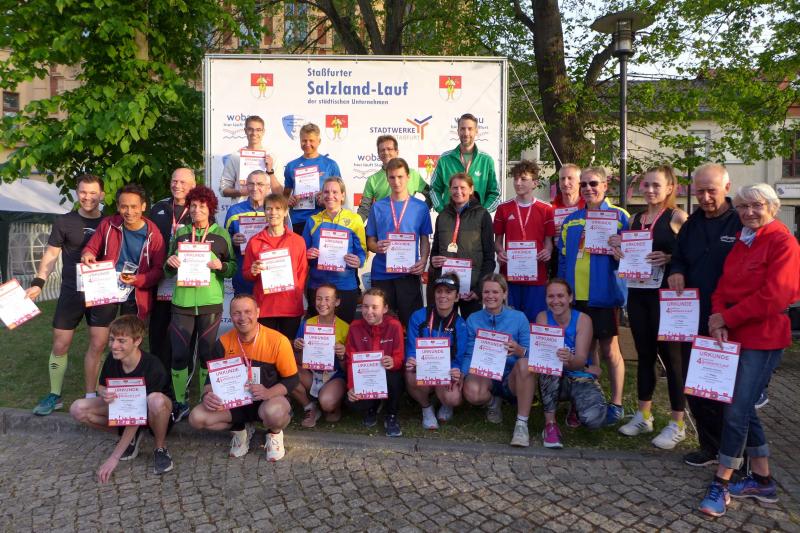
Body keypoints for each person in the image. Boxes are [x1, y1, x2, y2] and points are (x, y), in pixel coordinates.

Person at [698, 183, 800, 517]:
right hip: (734, 335)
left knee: (736, 411)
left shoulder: (783, 242)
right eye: (742, 207)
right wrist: (717, 319)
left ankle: (722, 480)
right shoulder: (744, 240)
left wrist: (726, 317)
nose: (748, 212)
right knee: (742, 406)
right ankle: (763, 479)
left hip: (763, 337)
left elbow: (775, 296)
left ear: (772, 207)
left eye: (756, 205)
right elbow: (723, 287)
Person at [667, 163, 743, 468]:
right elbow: (679, 257)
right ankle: (709, 447)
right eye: (700, 191)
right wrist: (676, 271)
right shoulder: (692, 223)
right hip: (692, 316)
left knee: (727, 390)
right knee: (696, 385)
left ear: (727, 187)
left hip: (730, 319)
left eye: (711, 190)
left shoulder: (741, 221)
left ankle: (735, 452)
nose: (705, 197)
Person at [613, 166, 689, 449]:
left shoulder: (677, 217)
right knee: (645, 354)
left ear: (670, 188)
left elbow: (690, 254)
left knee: (672, 359)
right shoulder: (634, 219)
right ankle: (644, 415)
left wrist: (668, 258)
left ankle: (677, 422)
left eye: (656, 185)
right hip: (638, 293)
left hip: (666, 297)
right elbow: (625, 253)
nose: (650, 190)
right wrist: (618, 251)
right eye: (646, 185)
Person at [28, 174, 106, 415]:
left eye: (93, 193)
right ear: (77, 193)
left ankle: (91, 395)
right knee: (60, 344)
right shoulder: (64, 221)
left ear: (102, 195)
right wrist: (39, 282)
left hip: (101, 291)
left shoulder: (110, 222)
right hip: (71, 291)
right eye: (83, 192)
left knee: (98, 344)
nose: (88, 197)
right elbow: (51, 255)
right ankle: (55, 395)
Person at [558, 167, 630, 426]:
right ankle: (585, 402)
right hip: (576, 296)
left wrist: (621, 247)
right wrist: (563, 292)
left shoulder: (620, 216)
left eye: (594, 183)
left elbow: (632, 256)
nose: (588, 188)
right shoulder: (571, 219)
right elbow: (563, 259)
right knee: (583, 351)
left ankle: (617, 403)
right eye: (584, 184)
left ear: (605, 185)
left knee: (610, 350)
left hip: (604, 295)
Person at [188, 294, 298, 461]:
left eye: (248, 312)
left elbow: (292, 379)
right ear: (231, 316)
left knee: (274, 414)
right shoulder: (222, 343)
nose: (242, 317)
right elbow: (210, 381)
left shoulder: (278, 341)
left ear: (258, 312)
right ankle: (240, 430)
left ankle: (274, 434)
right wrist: (207, 395)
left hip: (268, 401)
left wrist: (268, 393)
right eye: (237, 313)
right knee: (196, 418)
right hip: (235, 405)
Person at [69, 315, 175, 481]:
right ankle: (131, 438)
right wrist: (103, 392)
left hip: (155, 415)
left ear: (137, 341)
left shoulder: (153, 366)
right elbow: (102, 385)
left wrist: (114, 457)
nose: (114, 346)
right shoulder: (113, 358)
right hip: (127, 410)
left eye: (121, 341)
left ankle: (160, 448)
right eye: (112, 339)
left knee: (156, 400)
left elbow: (136, 414)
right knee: (77, 409)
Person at [164, 186, 236, 422]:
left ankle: (204, 399)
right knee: (179, 354)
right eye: (193, 206)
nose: (196, 210)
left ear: (210, 208)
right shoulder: (181, 233)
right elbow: (167, 268)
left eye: (202, 206)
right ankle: (180, 401)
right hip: (182, 303)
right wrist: (170, 263)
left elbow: (232, 267)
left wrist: (222, 266)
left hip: (209, 303)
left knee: (206, 354)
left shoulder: (221, 235)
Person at [534, 278, 606, 448]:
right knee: (549, 368)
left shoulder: (583, 320)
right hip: (554, 378)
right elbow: (543, 358)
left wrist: (571, 359)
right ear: (545, 299)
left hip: (579, 375)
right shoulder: (543, 317)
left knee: (594, 419)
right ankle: (550, 425)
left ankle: (576, 405)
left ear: (570, 297)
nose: (555, 301)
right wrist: (583, 367)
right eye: (551, 296)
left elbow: (580, 360)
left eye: (560, 296)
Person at [462, 274, 533, 447]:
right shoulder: (473, 319)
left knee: (525, 364)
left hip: (512, 376)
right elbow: (469, 353)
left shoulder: (519, 318)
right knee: (472, 392)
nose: (490, 296)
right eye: (486, 292)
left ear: (505, 294)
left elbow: (532, 354)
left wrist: (519, 350)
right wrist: (463, 375)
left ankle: (521, 424)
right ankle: (493, 403)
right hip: (485, 374)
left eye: (495, 292)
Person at [81, 183, 166, 321]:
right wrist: (88, 254)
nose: (129, 212)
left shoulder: (154, 235)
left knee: (128, 334)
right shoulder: (108, 224)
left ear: (143, 206)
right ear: (117, 206)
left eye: (134, 206)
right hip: (106, 287)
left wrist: (138, 279)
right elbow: (91, 248)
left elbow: (159, 270)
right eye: (124, 206)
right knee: (99, 333)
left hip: (135, 294)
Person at [365, 157, 432, 325]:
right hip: (382, 274)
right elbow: (370, 240)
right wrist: (376, 247)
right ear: (387, 179)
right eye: (392, 177)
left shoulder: (421, 207)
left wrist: (423, 260)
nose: (396, 181)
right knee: (382, 324)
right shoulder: (377, 207)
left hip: (408, 273)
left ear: (408, 177)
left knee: (411, 323)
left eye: (400, 177)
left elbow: (425, 238)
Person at [494, 160, 555, 322]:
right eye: (515, 179)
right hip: (510, 275)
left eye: (523, 179)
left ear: (535, 183)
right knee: (509, 321)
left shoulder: (546, 209)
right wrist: (500, 252)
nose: (518, 183)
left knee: (535, 321)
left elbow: (549, 242)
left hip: (536, 275)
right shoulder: (503, 208)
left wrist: (547, 252)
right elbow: (497, 241)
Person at [405, 274, 468, 430]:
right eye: (439, 291)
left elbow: (459, 354)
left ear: (456, 297)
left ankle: (446, 404)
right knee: (410, 374)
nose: (443, 296)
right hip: (423, 370)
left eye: (448, 292)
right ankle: (426, 408)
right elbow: (411, 346)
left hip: (445, 372)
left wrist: (456, 369)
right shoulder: (418, 316)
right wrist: (411, 359)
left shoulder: (460, 324)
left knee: (453, 398)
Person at [148, 167, 196, 373]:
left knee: (184, 332)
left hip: (187, 280)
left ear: (193, 185)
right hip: (161, 279)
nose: (177, 185)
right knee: (158, 329)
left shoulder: (199, 209)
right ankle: (158, 375)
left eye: (183, 182)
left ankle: (183, 375)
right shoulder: (159, 207)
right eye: (174, 181)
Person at [429, 173, 495, 319]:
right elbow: (435, 251)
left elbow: (489, 257)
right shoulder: (442, 216)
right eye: (454, 188)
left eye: (463, 187)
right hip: (446, 289)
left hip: (471, 290)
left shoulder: (482, 215)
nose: (458, 191)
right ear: (449, 190)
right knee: (444, 328)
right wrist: (433, 261)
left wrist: (479, 289)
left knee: (471, 328)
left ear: (471, 189)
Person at [243, 193, 308, 340]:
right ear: (264, 212)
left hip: (290, 307)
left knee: (288, 348)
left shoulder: (298, 241)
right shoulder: (254, 241)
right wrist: (253, 271)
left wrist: (295, 296)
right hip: (265, 307)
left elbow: (302, 273)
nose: (273, 213)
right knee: (266, 350)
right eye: (269, 209)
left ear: (285, 212)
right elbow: (246, 273)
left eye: (278, 209)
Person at [303, 177, 367, 323]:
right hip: (317, 286)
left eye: (335, 192)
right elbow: (302, 253)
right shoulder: (312, 220)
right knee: (319, 331)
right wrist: (307, 254)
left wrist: (359, 261)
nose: (330, 195)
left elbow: (362, 251)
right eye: (326, 192)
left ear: (343, 195)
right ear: (321, 195)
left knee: (344, 332)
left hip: (345, 286)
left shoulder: (355, 220)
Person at [345, 288, 405, 437]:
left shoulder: (394, 325)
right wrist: (351, 386)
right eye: (365, 306)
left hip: (388, 375)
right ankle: (373, 407)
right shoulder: (354, 327)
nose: (369, 311)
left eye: (374, 307)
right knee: (353, 404)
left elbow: (399, 356)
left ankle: (391, 415)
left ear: (385, 309)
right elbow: (350, 360)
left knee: (395, 377)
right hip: (365, 376)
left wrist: (393, 361)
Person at [291, 284, 349, 427]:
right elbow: (298, 359)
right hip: (311, 374)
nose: (322, 303)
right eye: (319, 298)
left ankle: (332, 404)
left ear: (337, 302)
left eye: (327, 299)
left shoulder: (345, 328)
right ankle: (310, 407)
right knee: (287, 371)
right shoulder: (307, 324)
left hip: (334, 376)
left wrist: (342, 355)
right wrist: (297, 347)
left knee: (328, 405)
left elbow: (348, 369)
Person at [430, 113, 500, 213]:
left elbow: (495, 193)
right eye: (462, 129)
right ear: (458, 131)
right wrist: (443, 212)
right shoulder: (445, 159)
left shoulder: (486, 160)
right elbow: (434, 190)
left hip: (476, 220)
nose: (466, 133)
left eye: (470, 129)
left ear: (476, 131)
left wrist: (482, 214)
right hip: (450, 218)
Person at [283, 123, 342, 235]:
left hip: (323, 219)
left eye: (311, 140)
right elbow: (285, 196)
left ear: (319, 141)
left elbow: (341, 194)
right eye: (304, 140)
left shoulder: (330, 165)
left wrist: (325, 199)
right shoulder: (291, 166)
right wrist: (288, 200)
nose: (307, 144)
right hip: (297, 220)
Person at [357, 135, 431, 221]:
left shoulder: (412, 174)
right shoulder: (372, 180)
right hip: (383, 225)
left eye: (389, 149)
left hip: (407, 225)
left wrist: (420, 212)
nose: (386, 152)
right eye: (382, 150)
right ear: (378, 154)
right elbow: (364, 209)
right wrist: (354, 225)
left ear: (397, 152)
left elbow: (431, 195)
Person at [224, 170, 269, 295]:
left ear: (268, 187)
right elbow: (224, 243)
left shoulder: (275, 210)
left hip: (269, 274)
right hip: (243, 275)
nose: (255, 188)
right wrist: (232, 240)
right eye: (251, 184)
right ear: (246, 186)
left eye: (260, 184)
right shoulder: (234, 211)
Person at [219, 115, 282, 202]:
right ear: (245, 131)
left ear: (263, 132)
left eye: (258, 130)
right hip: (241, 208)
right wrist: (240, 192)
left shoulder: (272, 157)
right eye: (250, 129)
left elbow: (279, 193)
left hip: (266, 208)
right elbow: (223, 190)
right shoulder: (235, 157)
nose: (254, 133)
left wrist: (270, 171)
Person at [549, 164, 586, 278]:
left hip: (583, 259)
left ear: (580, 181)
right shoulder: (549, 209)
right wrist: (550, 233)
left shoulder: (588, 207)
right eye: (562, 179)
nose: (565, 183)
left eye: (570, 178)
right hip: (557, 261)